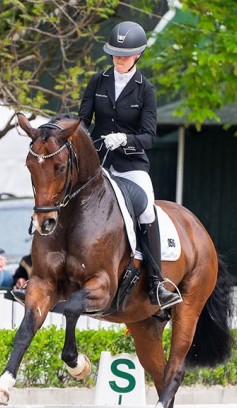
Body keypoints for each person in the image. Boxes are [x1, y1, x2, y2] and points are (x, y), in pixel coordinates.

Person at [78, 21, 180, 310]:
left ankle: (157, 282)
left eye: (124, 55)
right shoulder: (97, 82)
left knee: (147, 209)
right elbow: (83, 121)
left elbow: (149, 136)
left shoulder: (145, 89)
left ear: (138, 55)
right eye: (114, 54)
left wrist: (125, 139)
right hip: (97, 161)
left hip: (130, 163)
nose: (118, 59)